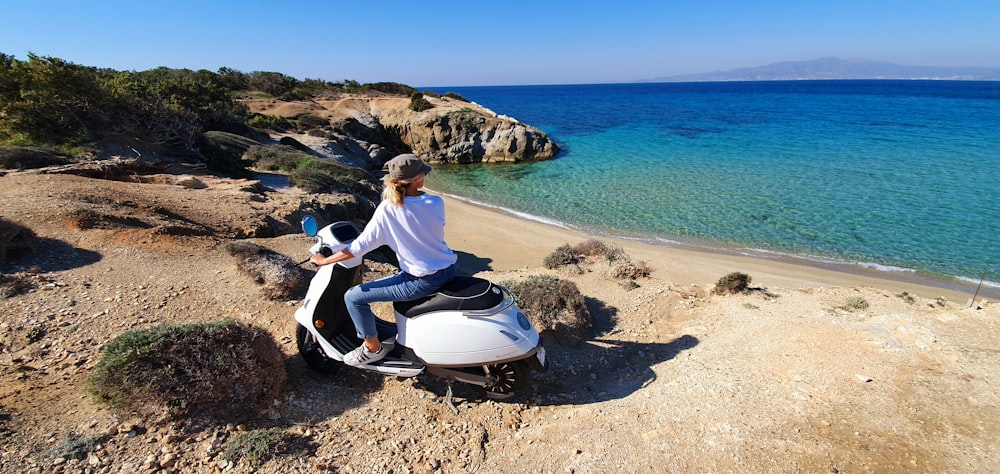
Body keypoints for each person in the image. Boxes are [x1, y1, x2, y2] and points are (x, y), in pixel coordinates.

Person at [309, 153, 457, 366]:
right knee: (392, 281)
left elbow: (359, 248)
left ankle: (372, 349)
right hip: (447, 269)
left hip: (421, 280)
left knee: (353, 297)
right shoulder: (435, 202)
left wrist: (324, 261)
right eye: (423, 171)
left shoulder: (388, 209)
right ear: (417, 180)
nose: (425, 174)